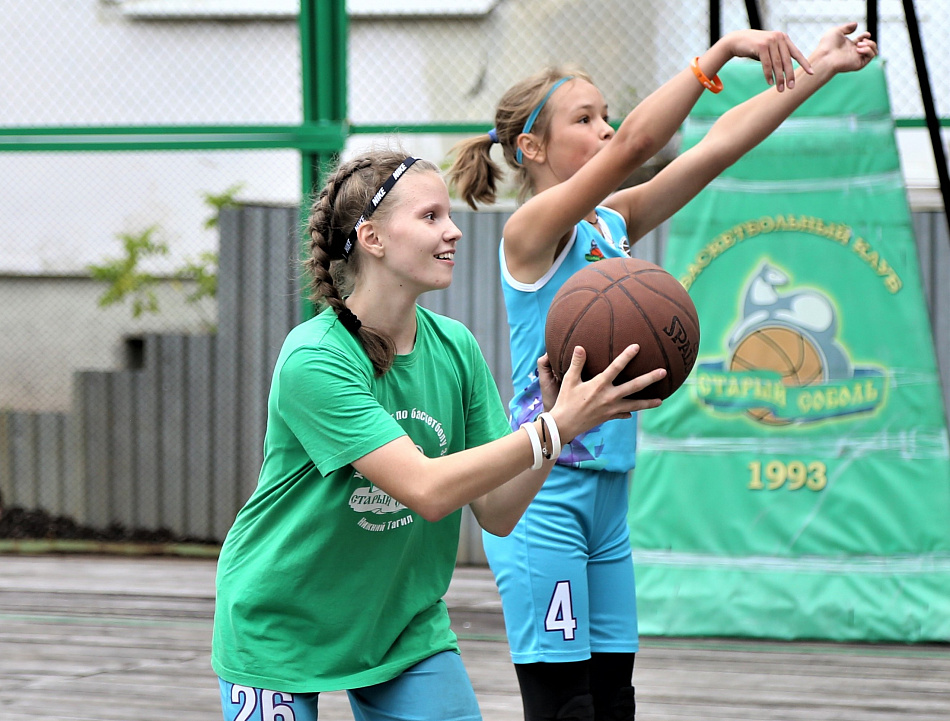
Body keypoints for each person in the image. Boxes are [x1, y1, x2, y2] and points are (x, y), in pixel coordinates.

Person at [446, 22, 877, 721]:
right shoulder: (529, 236)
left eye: (607, 113)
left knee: (615, 700)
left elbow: (716, 147)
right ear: (532, 147)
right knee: (567, 709)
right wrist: (718, 55)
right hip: (543, 497)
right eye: (584, 118)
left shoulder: (611, 224)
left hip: (611, 495)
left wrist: (820, 69)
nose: (607, 127)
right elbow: (640, 144)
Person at [210, 149, 668, 721]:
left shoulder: (455, 347)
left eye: (448, 214)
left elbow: (498, 513)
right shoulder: (316, 358)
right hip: (282, 622)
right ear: (372, 238)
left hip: (399, 624)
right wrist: (553, 428)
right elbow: (425, 490)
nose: (453, 231)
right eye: (430, 217)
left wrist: (554, 431)